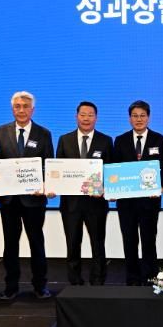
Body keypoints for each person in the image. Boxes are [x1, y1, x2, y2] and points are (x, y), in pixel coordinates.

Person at [0, 91, 54, 300]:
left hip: (34, 200)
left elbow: (48, 165)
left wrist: (45, 184)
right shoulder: (1, 131)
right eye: (17, 106)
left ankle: (40, 286)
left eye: (26, 106)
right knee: (10, 244)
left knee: (36, 243)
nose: (21, 110)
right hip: (9, 199)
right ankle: (11, 287)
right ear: (12, 109)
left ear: (32, 110)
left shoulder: (44, 133)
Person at [56, 101, 113, 286]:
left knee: (98, 244)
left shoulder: (106, 141)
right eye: (83, 114)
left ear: (96, 118)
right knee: (73, 244)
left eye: (90, 115)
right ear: (76, 117)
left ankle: (98, 281)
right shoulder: (64, 140)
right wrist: (53, 185)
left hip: (96, 204)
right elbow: (57, 170)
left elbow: (111, 172)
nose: (86, 118)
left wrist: (105, 188)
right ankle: (75, 282)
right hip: (70, 204)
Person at [113, 100, 163, 285]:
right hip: (126, 203)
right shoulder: (120, 140)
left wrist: (160, 187)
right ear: (129, 118)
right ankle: (132, 279)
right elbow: (114, 170)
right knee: (129, 241)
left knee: (149, 241)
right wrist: (113, 189)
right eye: (135, 116)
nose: (139, 119)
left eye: (142, 116)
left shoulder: (159, 140)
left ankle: (150, 277)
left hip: (149, 202)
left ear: (148, 117)